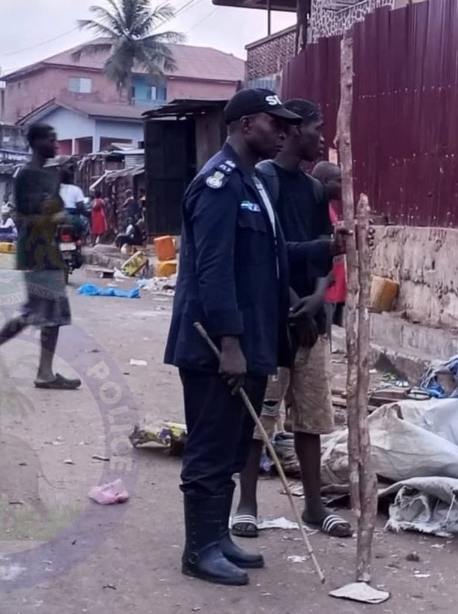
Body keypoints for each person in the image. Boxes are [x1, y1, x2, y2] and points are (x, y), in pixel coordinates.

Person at [166, 88, 342, 587]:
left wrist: (327, 248)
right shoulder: (219, 184)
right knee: (209, 446)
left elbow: (274, 254)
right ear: (245, 125)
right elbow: (214, 270)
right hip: (215, 343)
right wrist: (230, 343)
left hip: (253, 340)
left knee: (231, 442)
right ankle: (199, 548)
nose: (284, 131)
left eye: (289, 123)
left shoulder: (252, 183)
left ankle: (218, 537)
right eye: (274, 122)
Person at [232, 99, 353, 541]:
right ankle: (246, 504)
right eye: (317, 129)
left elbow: (325, 248)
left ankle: (316, 507)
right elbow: (264, 252)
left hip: (311, 318)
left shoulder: (312, 189)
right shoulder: (266, 181)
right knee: (259, 417)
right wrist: (291, 303)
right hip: (273, 319)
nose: (323, 139)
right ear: (295, 130)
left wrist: (318, 296)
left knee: (312, 417)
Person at [0, 124, 81, 390]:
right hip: (36, 252)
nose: (55, 143)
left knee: (51, 313)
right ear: (36, 142)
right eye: (50, 139)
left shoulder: (50, 175)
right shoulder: (27, 175)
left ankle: (44, 371)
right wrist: (53, 218)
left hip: (50, 250)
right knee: (38, 311)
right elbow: (22, 217)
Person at [313, 161, 346, 349]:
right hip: (323, 285)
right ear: (325, 181)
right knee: (322, 336)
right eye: (339, 181)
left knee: (328, 332)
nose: (342, 186)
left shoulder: (329, 208)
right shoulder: (318, 208)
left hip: (334, 285)